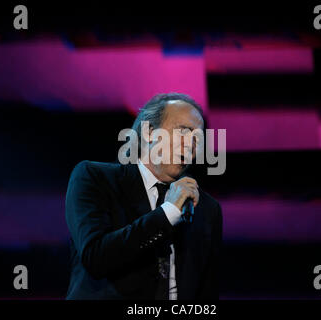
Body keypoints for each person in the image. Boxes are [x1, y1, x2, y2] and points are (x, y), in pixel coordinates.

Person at [65, 93, 223, 300]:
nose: (191, 144)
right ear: (149, 132)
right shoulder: (95, 178)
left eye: (197, 138)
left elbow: (206, 294)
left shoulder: (206, 208)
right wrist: (168, 212)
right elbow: (96, 258)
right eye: (183, 131)